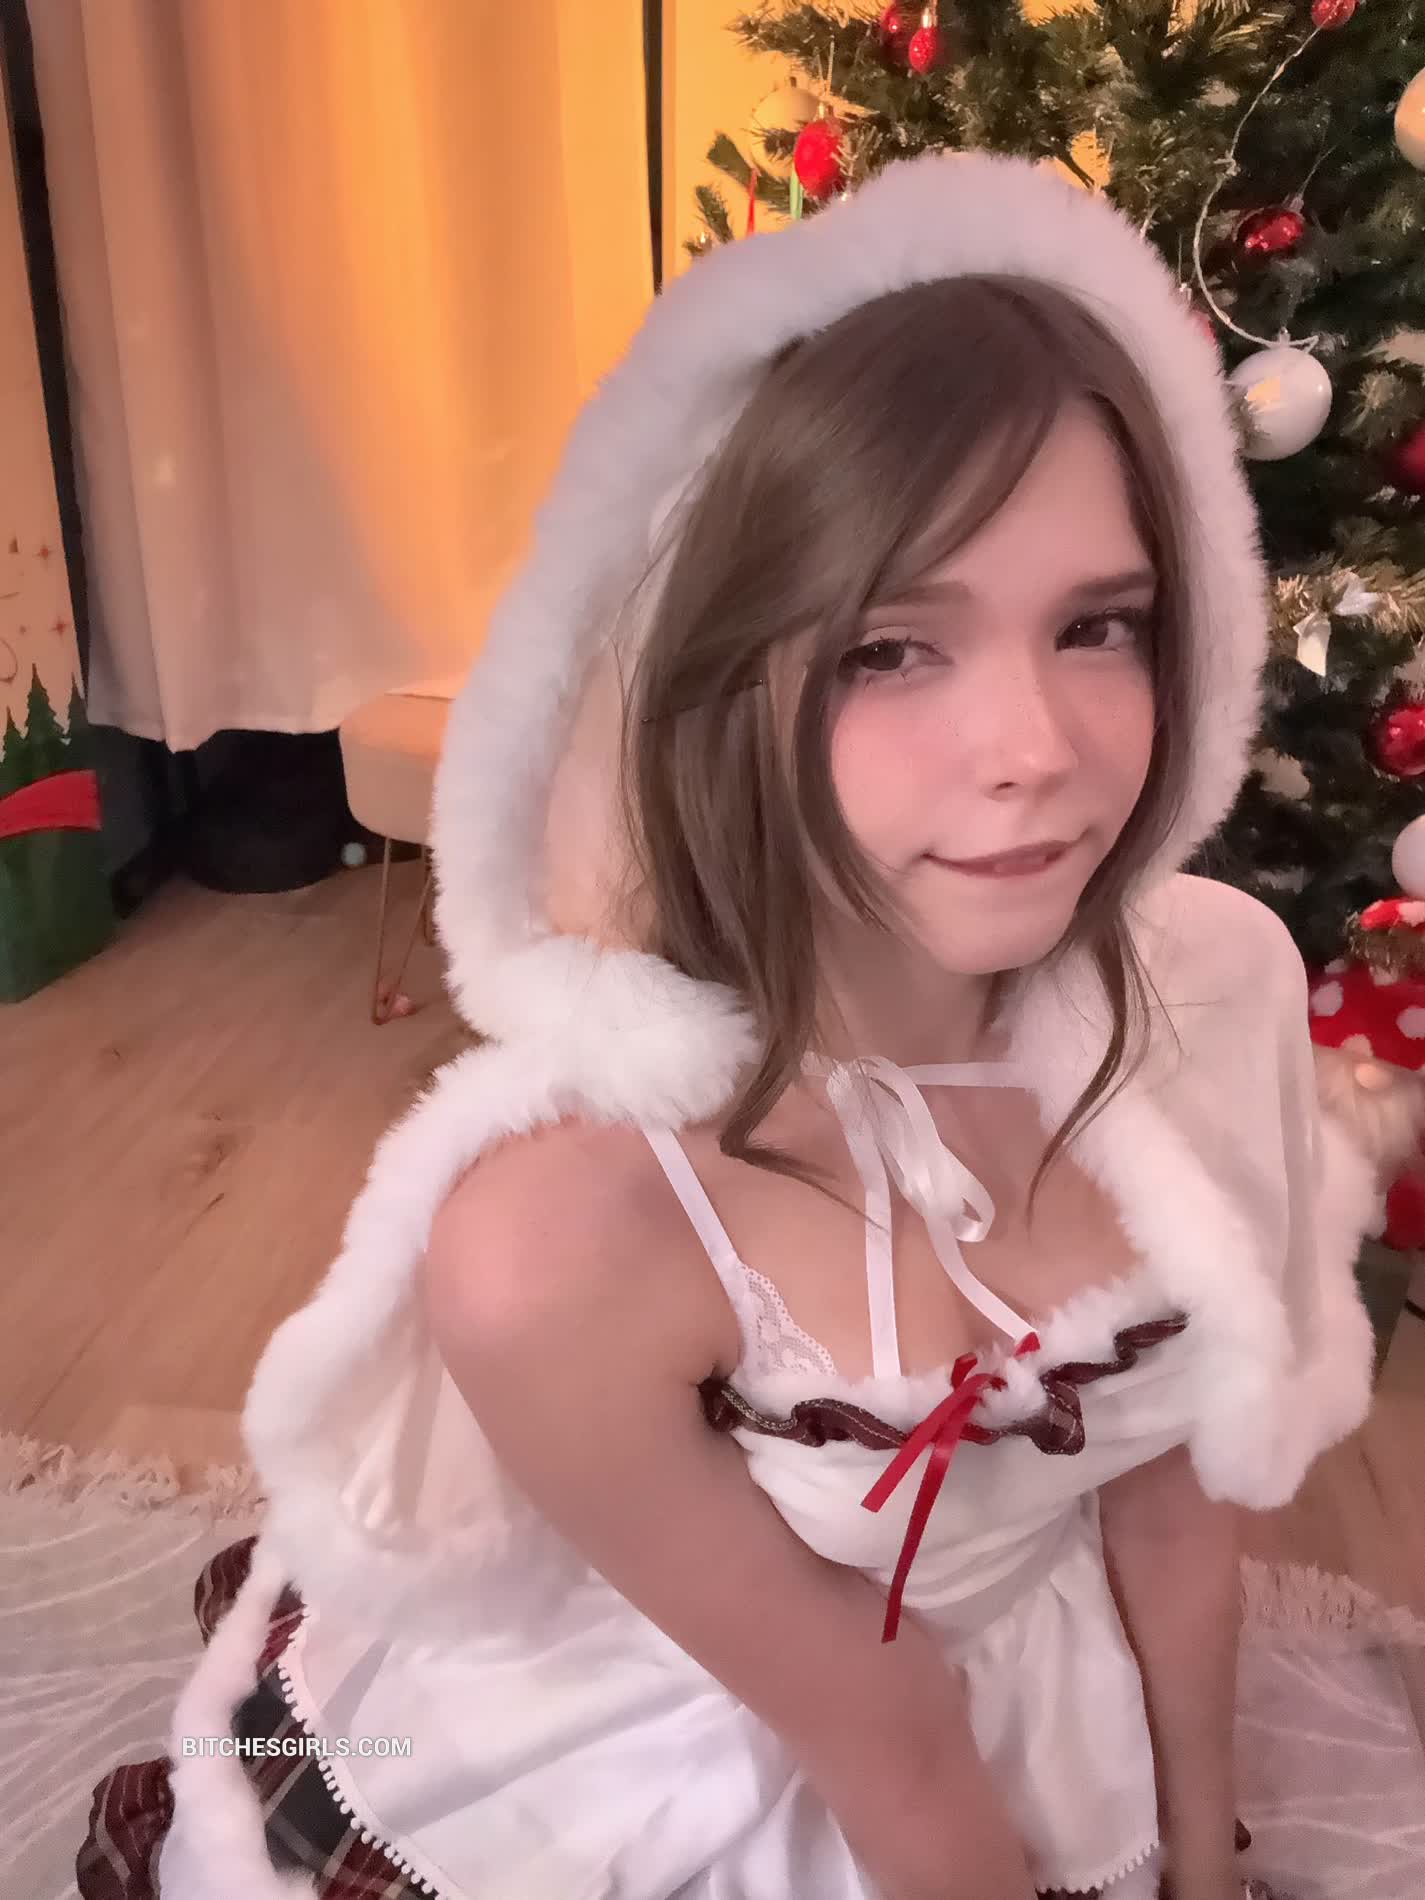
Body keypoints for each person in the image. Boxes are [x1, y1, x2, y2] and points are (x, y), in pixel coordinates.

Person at [79, 154, 1379, 1900]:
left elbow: (1170, 1483)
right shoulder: (560, 1237)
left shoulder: (1210, 983)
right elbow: (887, 1735)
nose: (1037, 750)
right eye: (889, 649)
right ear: (720, 683)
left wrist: (1203, 1860)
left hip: (1017, 1681)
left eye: (1100, 626)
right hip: (705, 1745)